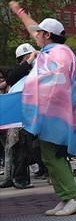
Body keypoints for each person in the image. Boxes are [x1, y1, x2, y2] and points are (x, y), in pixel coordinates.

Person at [6, 6, 76, 216]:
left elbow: (55, 82)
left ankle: (74, 197)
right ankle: (65, 197)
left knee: (52, 156)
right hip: (56, 114)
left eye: (39, 33)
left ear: (47, 35)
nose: (35, 35)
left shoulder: (57, 53)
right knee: (50, 156)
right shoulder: (54, 51)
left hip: (57, 115)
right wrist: (20, 13)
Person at [1, 43, 38, 190]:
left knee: (27, 147)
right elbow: (12, 76)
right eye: (28, 57)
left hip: (31, 115)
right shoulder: (17, 73)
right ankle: (15, 178)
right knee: (15, 146)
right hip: (18, 117)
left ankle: (19, 177)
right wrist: (29, 61)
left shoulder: (37, 71)